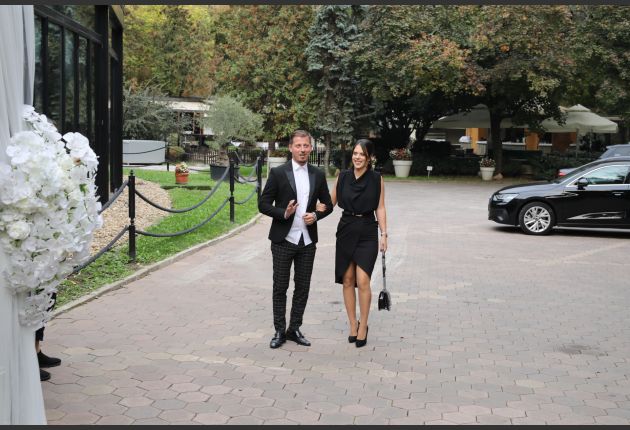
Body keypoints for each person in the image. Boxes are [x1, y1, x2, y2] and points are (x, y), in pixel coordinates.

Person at [258, 130, 333, 349]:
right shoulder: (278, 173)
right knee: (280, 287)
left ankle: (294, 328)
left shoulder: (318, 174)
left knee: (302, 287)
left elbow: (328, 205)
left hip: (307, 241)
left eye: (306, 146)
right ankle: (279, 331)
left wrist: (316, 215)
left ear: (311, 148)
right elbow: (263, 204)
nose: (302, 150)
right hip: (283, 240)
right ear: (291, 147)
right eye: (298, 146)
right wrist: (284, 213)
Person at [317, 139, 387, 348]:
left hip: (367, 231)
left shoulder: (377, 179)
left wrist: (384, 234)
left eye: (362, 154)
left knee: (362, 280)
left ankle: (363, 325)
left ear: (369, 158)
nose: (357, 157)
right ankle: (352, 324)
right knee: (347, 279)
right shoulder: (343, 177)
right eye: (355, 153)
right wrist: (312, 209)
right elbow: (329, 203)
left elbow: (380, 207)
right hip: (346, 229)